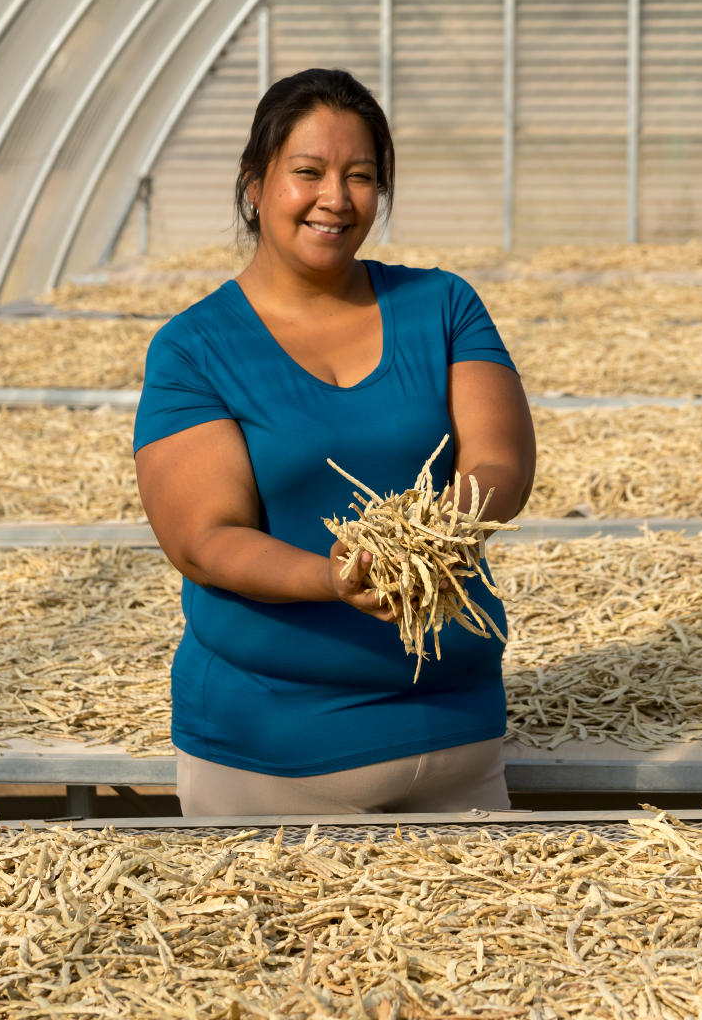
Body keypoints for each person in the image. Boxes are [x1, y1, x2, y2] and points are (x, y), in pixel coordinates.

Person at [133, 67, 536, 817]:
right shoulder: (195, 348)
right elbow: (204, 539)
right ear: (254, 184)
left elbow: (502, 462)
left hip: (456, 740)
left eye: (361, 176)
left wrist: (436, 531)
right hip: (269, 760)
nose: (336, 199)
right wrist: (337, 577)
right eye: (308, 172)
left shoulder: (442, 305)